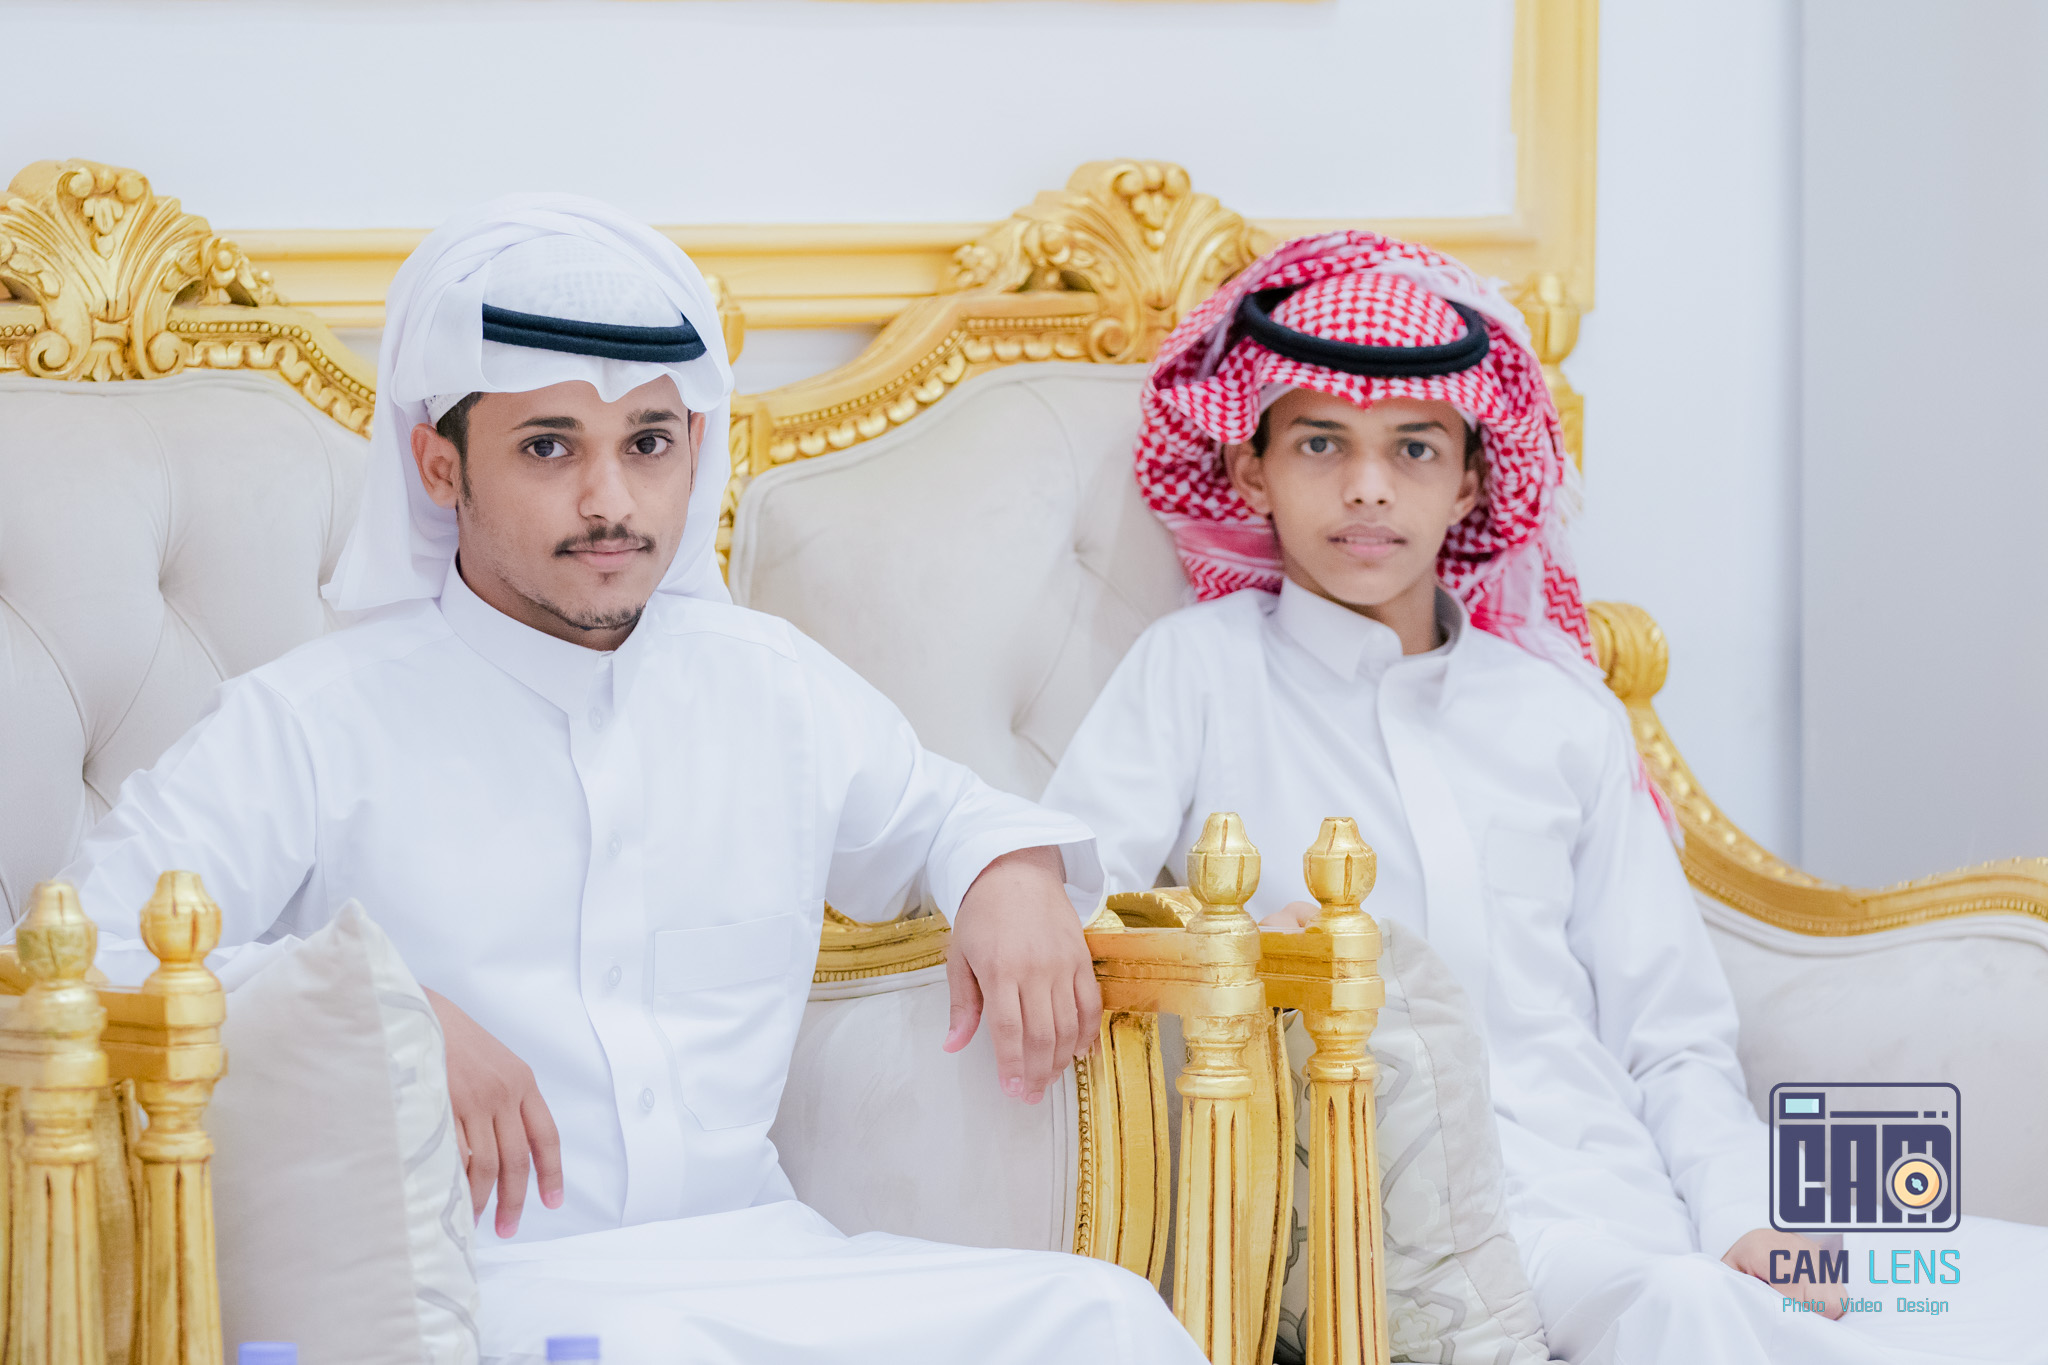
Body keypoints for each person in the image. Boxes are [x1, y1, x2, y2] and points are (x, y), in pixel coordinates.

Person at [59, 199, 1202, 1365]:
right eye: (548, 447)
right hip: (475, 1290)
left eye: (646, 444)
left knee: (1102, 1317)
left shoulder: (768, 684)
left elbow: (944, 816)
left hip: (765, 1259)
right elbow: (76, 959)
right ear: (440, 466)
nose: (609, 501)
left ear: (692, 450)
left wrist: (1006, 871)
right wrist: (378, 1016)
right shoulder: (306, 723)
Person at [1040, 231, 2045, 1365]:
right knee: (1692, 1314)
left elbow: (1672, 1035)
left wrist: (1746, 1223)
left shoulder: (1557, 712)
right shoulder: (1199, 668)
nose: (1367, 484)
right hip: (1393, 1226)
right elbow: (1075, 905)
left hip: (1623, 1199)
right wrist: (1242, 952)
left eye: (1413, 448)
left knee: (1956, 1299)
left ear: (1471, 479)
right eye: (1320, 442)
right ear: (1248, 469)